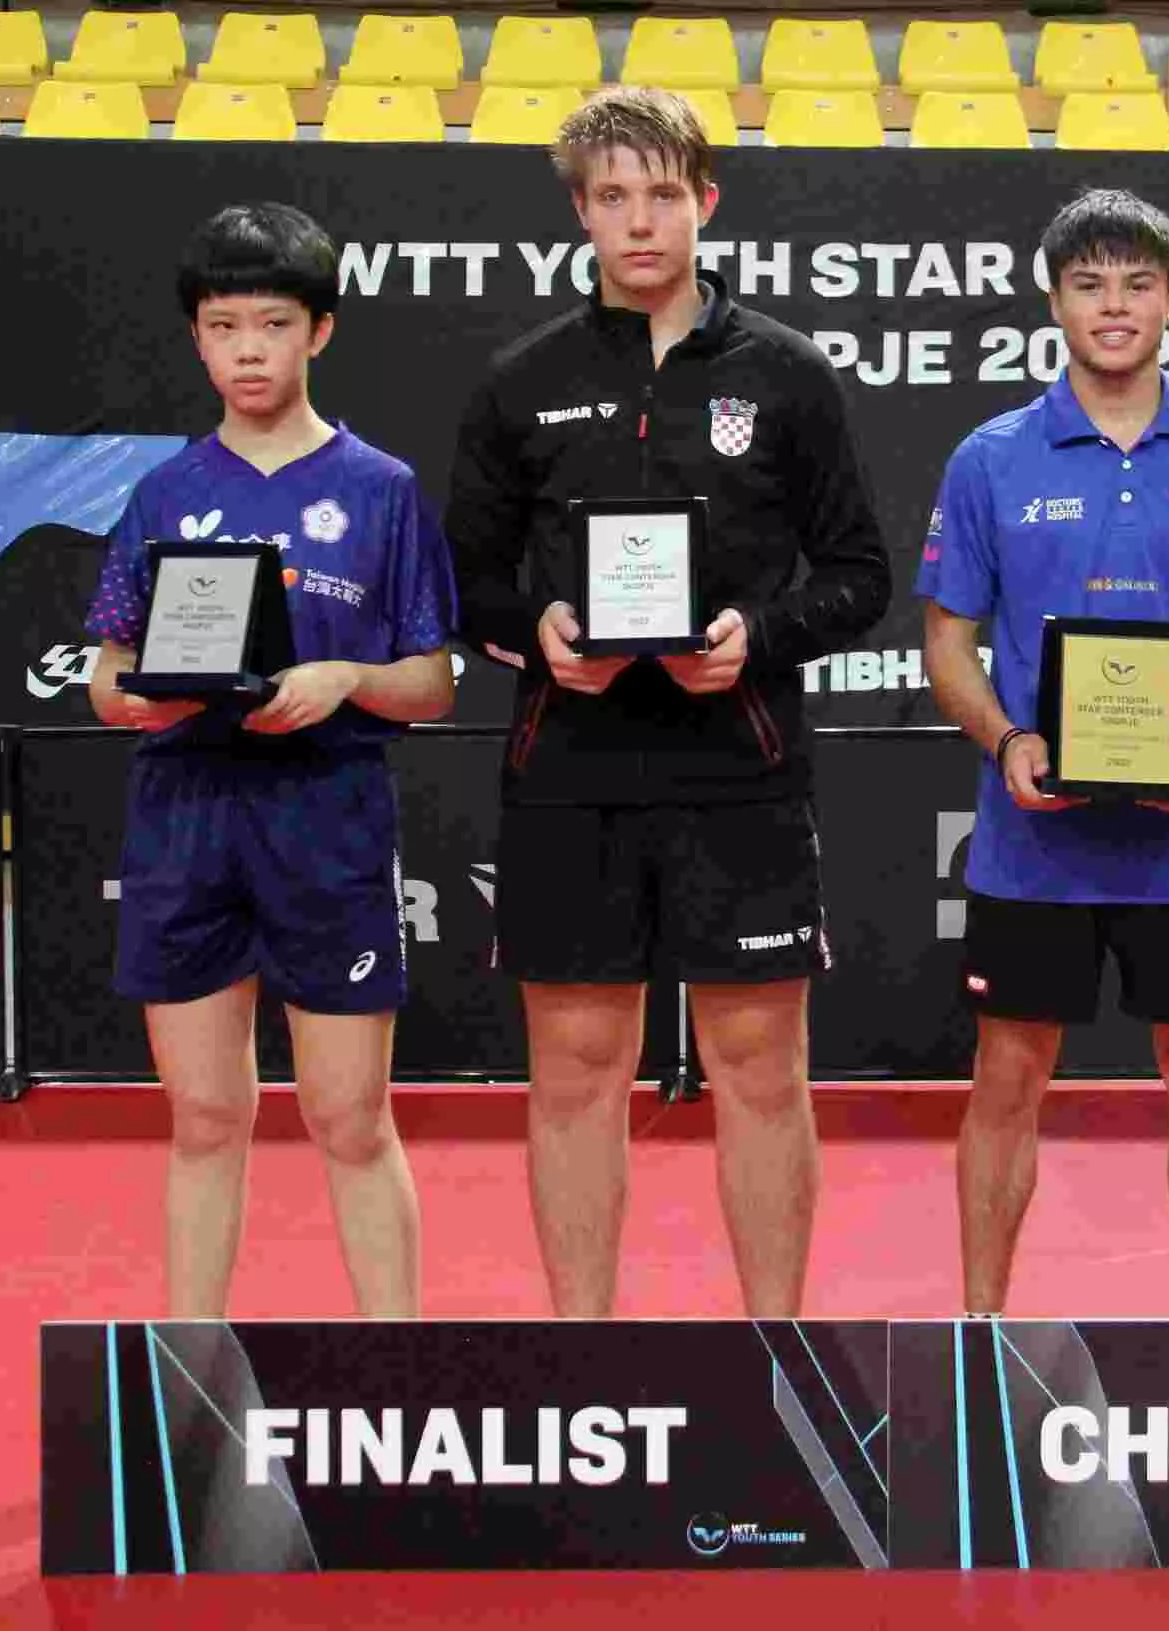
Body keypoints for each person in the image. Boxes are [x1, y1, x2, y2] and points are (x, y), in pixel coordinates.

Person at [443, 88, 891, 1318]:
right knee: (576, 1070)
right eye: (611, 197)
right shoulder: (520, 381)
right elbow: (463, 582)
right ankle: (584, 1356)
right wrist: (535, 631)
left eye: (660, 194)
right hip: (568, 770)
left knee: (760, 1066)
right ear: (580, 213)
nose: (638, 221)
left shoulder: (787, 375)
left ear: (705, 202)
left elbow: (858, 574)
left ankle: (779, 1350)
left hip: (739, 768)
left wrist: (759, 636)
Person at [920, 189, 1169, 1317]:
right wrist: (1007, 738)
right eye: (1088, 284)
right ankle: (980, 1328)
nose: (1114, 305)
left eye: (1137, 283)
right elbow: (946, 640)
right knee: (1006, 1076)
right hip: (1031, 839)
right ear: (1054, 301)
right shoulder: (990, 457)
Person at [85, 202, 458, 1319]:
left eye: (274, 324)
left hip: (327, 815)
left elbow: (431, 683)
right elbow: (107, 676)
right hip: (186, 813)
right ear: (197, 339)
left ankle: (397, 1369)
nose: (249, 350)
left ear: (320, 331)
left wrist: (344, 679)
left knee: (350, 1117)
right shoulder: (163, 493)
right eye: (224, 326)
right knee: (204, 1117)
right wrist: (153, 695)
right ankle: (193, 1362)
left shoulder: (382, 488)